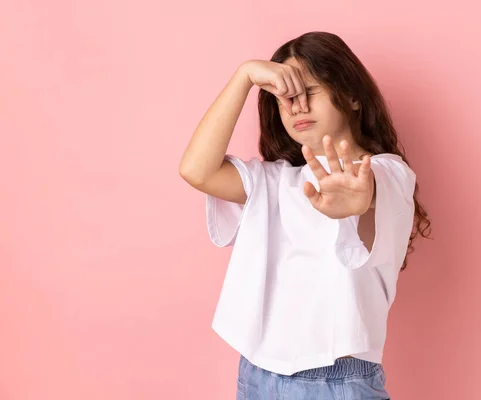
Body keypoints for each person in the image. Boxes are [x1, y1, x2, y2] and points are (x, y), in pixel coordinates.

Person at [179, 31, 431, 399]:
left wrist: (358, 201)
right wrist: (244, 76)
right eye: (285, 98)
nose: (296, 107)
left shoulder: (388, 172)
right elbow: (196, 170)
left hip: (335, 382)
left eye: (309, 92)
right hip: (256, 374)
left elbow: (373, 189)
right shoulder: (276, 181)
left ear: (351, 97)